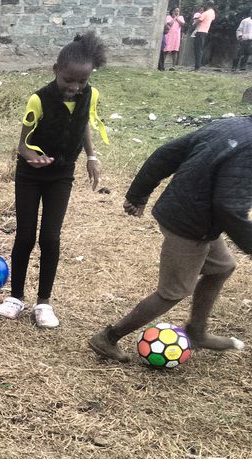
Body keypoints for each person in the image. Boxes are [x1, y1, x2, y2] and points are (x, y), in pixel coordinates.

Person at [89, 117, 252, 362]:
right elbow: (229, 206)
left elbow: (165, 154)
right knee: (173, 291)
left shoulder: (233, 125)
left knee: (222, 267)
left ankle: (197, 332)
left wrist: (138, 194)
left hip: (192, 213)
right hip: (189, 224)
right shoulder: (248, 150)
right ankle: (108, 337)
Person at [0, 32, 109, 329]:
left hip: (61, 175)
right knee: (25, 235)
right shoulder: (39, 99)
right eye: (68, 80)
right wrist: (32, 156)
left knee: (50, 237)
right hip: (30, 174)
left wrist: (91, 156)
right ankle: (16, 297)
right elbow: (22, 145)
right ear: (56, 70)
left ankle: (43, 302)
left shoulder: (90, 95)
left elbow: (83, 125)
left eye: (82, 81)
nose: (74, 87)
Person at [158, 6, 184, 71]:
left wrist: (177, 18)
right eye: (175, 11)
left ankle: (173, 66)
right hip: (168, 35)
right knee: (165, 50)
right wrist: (174, 18)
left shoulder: (181, 17)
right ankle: (162, 65)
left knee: (175, 51)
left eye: (178, 11)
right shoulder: (168, 17)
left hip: (176, 36)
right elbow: (169, 24)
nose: (177, 12)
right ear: (172, 11)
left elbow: (182, 24)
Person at [192, 0, 215, 70]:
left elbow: (199, 20)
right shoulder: (212, 12)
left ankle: (197, 66)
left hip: (200, 31)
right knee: (200, 48)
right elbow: (213, 19)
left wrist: (194, 23)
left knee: (198, 49)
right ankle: (198, 65)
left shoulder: (205, 13)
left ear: (207, 5)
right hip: (205, 31)